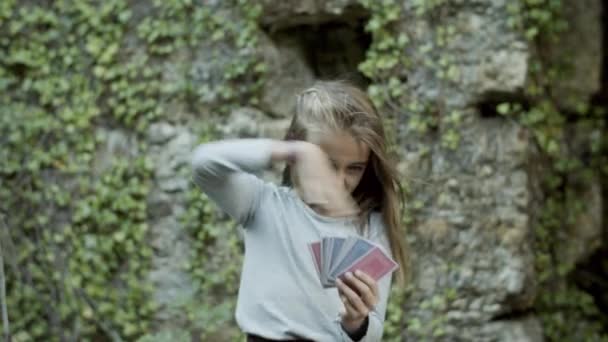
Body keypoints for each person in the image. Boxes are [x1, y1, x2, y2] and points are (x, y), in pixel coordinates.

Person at [191, 80, 409, 342]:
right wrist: (290, 150)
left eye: (355, 168)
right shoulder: (263, 204)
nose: (339, 181)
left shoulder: (371, 228)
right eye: (328, 164)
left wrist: (357, 321)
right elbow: (204, 163)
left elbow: (372, 335)